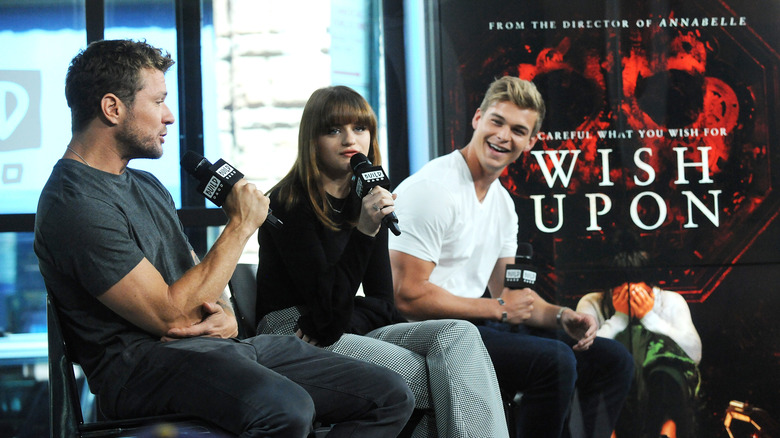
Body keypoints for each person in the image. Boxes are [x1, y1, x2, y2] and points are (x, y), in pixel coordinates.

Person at [34, 39, 414, 438]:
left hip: (215, 350)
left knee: (389, 394)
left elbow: (201, 283)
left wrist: (229, 315)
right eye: (159, 101)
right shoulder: (74, 202)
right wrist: (241, 224)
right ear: (113, 108)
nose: (169, 117)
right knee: (287, 408)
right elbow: (172, 314)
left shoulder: (146, 185)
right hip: (140, 368)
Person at [255, 85, 509, 438]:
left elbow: (383, 305)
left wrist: (349, 310)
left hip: (337, 323)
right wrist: (363, 231)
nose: (350, 139)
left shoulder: (371, 199)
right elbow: (322, 313)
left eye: (359, 128)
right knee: (432, 374)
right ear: (311, 140)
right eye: (334, 130)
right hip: (291, 329)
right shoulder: (287, 202)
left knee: (458, 333)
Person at [388, 75, 634, 438]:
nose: (504, 136)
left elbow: (511, 297)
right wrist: (498, 309)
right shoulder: (434, 190)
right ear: (477, 119)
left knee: (613, 359)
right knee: (554, 362)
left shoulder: (502, 202)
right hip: (427, 329)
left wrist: (562, 316)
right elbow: (407, 295)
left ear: (531, 141)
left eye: (518, 130)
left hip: (472, 324)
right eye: (496, 122)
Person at [576, 232, 702, 438]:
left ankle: (667, 428)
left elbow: (694, 354)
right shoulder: (592, 302)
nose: (631, 293)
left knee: (664, 368)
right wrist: (620, 318)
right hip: (612, 386)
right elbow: (584, 352)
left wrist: (649, 317)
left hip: (660, 392)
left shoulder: (671, 301)